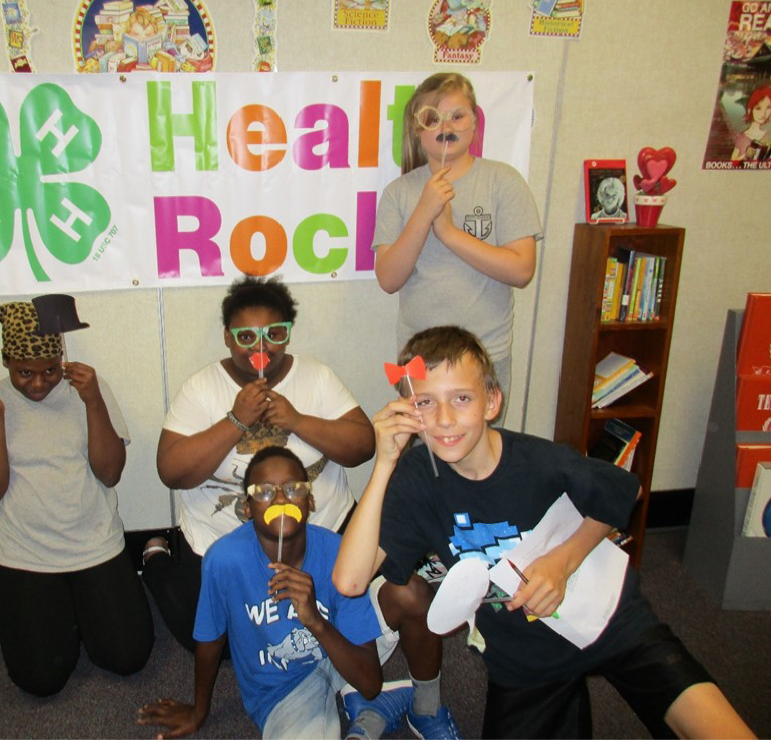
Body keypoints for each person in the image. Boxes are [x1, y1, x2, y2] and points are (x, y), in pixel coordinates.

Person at [333, 325, 756, 739]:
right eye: (425, 402)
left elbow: (625, 490)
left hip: (606, 614)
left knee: (711, 723)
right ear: (407, 411)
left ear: (492, 401)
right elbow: (350, 580)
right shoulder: (415, 478)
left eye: (461, 398)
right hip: (524, 654)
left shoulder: (539, 461)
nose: (444, 420)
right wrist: (385, 463)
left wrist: (563, 560)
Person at [142, 276, 375, 652]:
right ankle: (157, 558)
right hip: (223, 539)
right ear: (228, 337)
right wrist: (236, 421)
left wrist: (298, 421)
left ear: (287, 334)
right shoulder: (202, 387)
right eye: (246, 336)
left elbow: (363, 446)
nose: (260, 347)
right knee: (210, 640)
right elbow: (171, 471)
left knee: (349, 616)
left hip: (320, 528)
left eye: (274, 334)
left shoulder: (315, 375)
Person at [138, 446, 415, 740]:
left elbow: (370, 680)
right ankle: (362, 707)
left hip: (336, 650)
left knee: (411, 593)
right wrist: (199, 710)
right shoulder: (224, 560)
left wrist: (315, 621)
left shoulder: (337, 551)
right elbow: (211, 638)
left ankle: (422, 709)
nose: (281, 499)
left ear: (310, 500)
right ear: (247, 508)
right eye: (265, 491)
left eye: (294, 488)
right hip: (282, 693)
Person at [0, 300, 153, 696]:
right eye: (24, 373)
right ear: (7, 362)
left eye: (50, 370)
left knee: (129, 656)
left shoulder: (88, 391)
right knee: (40, 679)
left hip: (92, 543)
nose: (37, 383)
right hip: (23, 552)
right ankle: (64, 611)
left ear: (61, 357)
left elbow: (110, 472)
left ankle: (75, 608)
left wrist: (93, 401)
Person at [371, 72, 542, 424]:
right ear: (417, 130)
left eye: (457, 115)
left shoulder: (503, 181)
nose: (445, 125)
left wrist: (448, 233)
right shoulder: (399, 193)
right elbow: (388, 279)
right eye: (432, 118)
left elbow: (522, 270)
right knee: (426, 459)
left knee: (481, 460)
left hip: (486, 356)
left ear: (474, 123)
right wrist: (424, 212)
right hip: (420, 363)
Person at [731, 85, 771, 161]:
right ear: (750, 110)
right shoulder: (741, 137)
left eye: (768, 108)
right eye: (758, 108)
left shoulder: (769, 136)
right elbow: (733, 161)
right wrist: (746, 156)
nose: (763, 113)